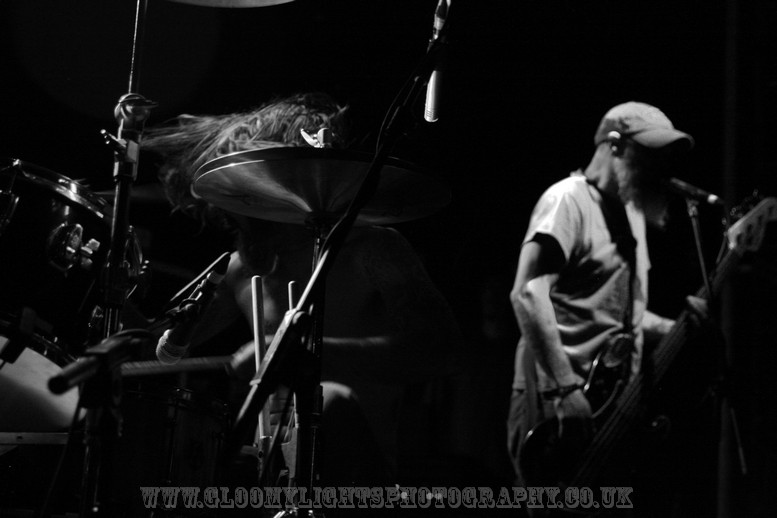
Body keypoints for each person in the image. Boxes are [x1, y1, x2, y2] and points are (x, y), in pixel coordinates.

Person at [141, 92, 462, 490]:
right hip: (268, 480)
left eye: (243, 190)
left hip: (357, 484)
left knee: (333, 401)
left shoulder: (373, 248)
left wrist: (304, 355)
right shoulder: (240, 268)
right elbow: (158, 352)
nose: (228, 208)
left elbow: (442, 350)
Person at [506, 102, 706, 509]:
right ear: (615, 145)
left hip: (609, 407)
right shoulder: (568, 200)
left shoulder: (631, 217)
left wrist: (672, 329)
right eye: (651, 154)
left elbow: (618, 315)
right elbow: (527, 292)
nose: (661, 167)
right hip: (558, 403)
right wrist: (565, 388)